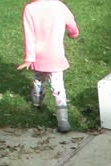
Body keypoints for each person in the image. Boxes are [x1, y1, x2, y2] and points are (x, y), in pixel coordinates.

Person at [17, 0, 79, 133]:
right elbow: (71, 23)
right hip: (55, 55)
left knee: (39, 79)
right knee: (58, 87)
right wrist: (74, 33)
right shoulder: (59, 6)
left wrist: (29, 58)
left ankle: (37, 101)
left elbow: (29, 35)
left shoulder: (30, 9)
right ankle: (63, 120)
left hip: (39, 56)